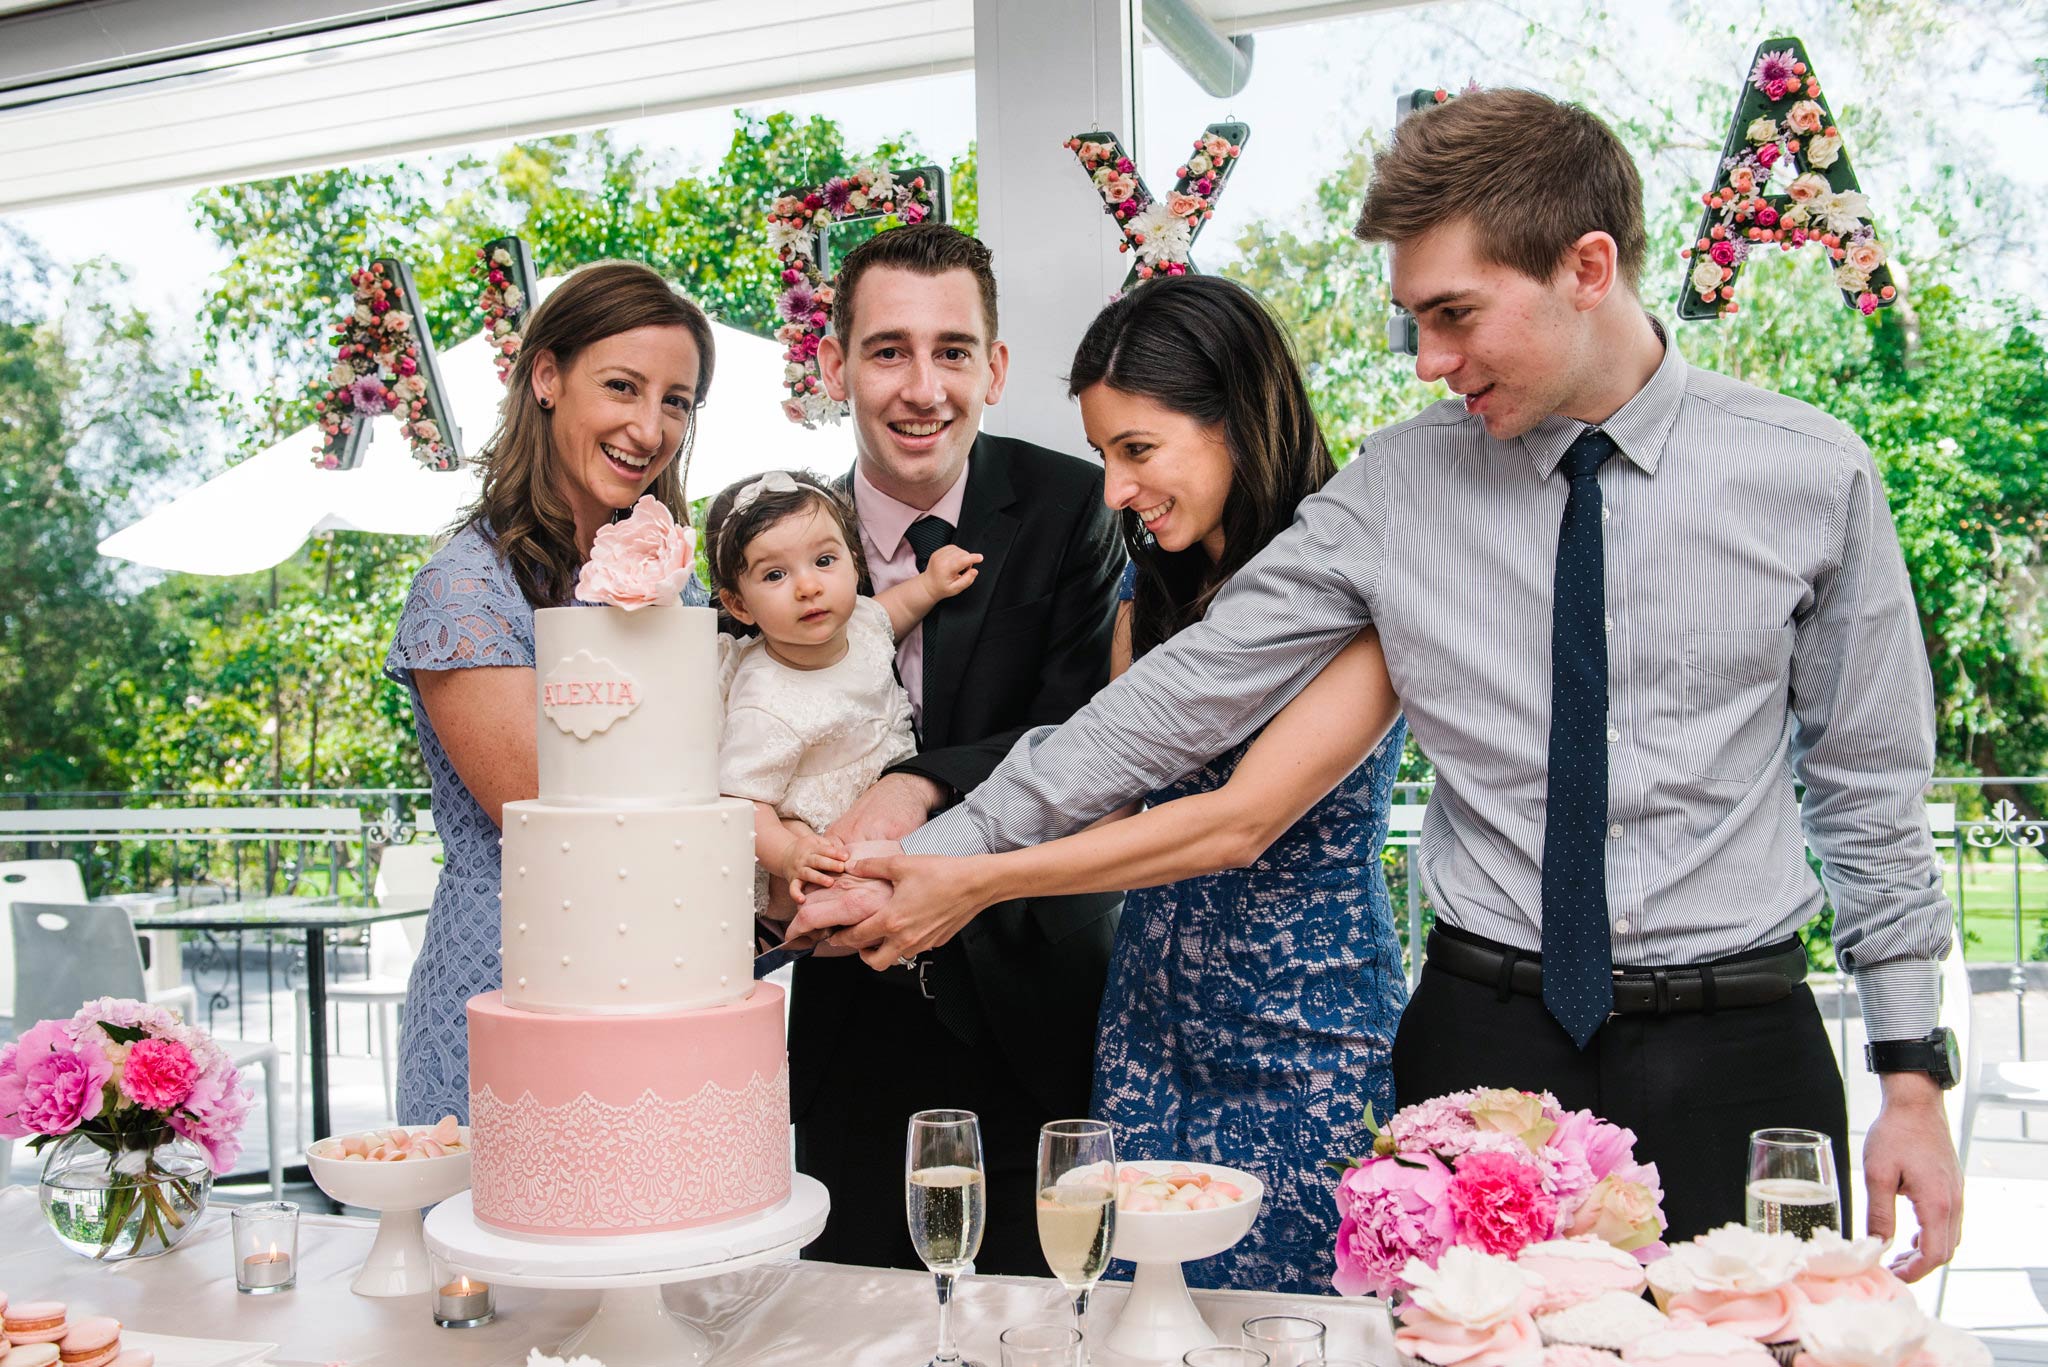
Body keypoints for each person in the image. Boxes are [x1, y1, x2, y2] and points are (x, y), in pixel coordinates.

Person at [806, 90, 1964, 1273]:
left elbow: (1867, 793)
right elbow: (1172, 700)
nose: (1431, 360)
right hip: (1482, 1033)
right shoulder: (1394, 489)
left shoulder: (1810, 477)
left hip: (1740, 1039)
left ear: (1586, 265)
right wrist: (953, 847)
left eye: (1454, 314)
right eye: (1415, 319)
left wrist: (1910, 1075)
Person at [796, 274, 1410, 1294]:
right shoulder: (1148, 586)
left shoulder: (1359, 589)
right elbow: (1105, 785)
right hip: (1144, 1029)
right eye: (1102, 457)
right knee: (1128, 1317)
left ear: (1237, 421)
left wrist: (977, 882)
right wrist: (893, 871)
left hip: (1309, 1032)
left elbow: (1234, 822)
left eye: (1137, 451)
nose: (1115, 490)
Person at [785, 222, 1126, 1276]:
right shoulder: (777, 530)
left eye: (952, 351)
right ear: (834, 363)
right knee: (845, 1324)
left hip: (1032, 1008)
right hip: (847, 1012)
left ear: (996, 368)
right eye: (887, 350)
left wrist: (916, 780)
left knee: (1041, 1320)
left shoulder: (1078, 504)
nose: (921, 386)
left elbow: (1083, 731)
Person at [386, 260, 716, 1126]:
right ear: (546, 377)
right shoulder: (466, 591)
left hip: (658, 988)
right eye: (622, 387)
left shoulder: (676, 583)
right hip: (510, 996)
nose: (649, 428)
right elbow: (553, 818)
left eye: (676, 401)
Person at [702, 468, 980, 909]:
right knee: (823, 867)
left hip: (892, 800)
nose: (808, 586)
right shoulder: (764, 700)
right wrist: (792, 853)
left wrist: (930, 584)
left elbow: (894, 610)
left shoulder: (861, 622)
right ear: (738, 603)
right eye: (775, 575)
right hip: (816, 832)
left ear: (855, 562)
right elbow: (741, 802)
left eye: (824, 561)